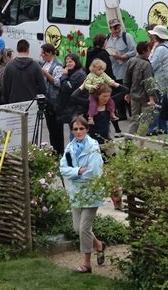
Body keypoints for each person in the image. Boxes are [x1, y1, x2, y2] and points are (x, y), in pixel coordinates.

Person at [60, 116, 106, 274]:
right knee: (77, 228)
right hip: (75, 193)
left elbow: (94, 172)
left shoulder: (93, 148)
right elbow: (63, 168)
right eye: (75, 129)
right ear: (72, 131)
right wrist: (78, 171)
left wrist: (74, 173)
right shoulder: (69, 148)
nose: (78, 132)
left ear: (87, 129)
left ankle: (86, 264)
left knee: (84, 229)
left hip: (91, 192)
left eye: (81, 128)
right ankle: (99, 245)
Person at [105, 18, 136, 124]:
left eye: (118, 26)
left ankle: (132, 114)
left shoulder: (126, 37)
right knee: (116, 92)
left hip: (124, 70)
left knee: (126, 90)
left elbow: (133, 51)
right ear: (110, 28)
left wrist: (123, 57)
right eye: (114, 27)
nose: (117, 29)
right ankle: (121, 113)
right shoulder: (108, 38)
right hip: (113, 70)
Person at [124, 41, 156, 135]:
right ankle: (141, 144)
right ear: (144, 51)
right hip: (144, 97)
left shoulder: (131, 61)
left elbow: (126, 78)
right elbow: (148, 82)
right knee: (145, 121)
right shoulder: (146, 64)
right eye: (149, 50)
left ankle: (128, 142)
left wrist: (127, 92)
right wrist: (151, 97)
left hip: (134, 95)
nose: (150, 52)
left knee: (134, 119)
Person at [1, 39, 45, 104]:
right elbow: (42, 87)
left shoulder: (9, 66)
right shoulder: (36, 66)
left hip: (13, 103)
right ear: (28, 49)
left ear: (17, 49)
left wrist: (7, 101)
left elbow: (5, 87)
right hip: (31, 103)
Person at [41, 43, 64, 155]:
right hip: (47, 100)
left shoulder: (58, 65)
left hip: (55, 101)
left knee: (57, 129)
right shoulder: (46, 63)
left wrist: (46, 74)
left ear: (49, 53)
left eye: (43, 53)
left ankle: (59, 152)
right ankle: (54, 150)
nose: (41, 55)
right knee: (51, 129)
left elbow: (58, 82)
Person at [57, 53, 87, 136]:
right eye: (66, 62)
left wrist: (64, 75)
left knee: (75, 133)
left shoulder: (79, 74)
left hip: (76, 108)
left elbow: (66, 87)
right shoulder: (72, 72)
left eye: (70, 61)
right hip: (71, 107)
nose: (68, 64)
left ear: (76, 62)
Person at [82, 59, 119, 124]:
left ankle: (112, 113)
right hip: (93, 93)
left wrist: (111, 82)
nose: (101, 71)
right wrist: (92, 86)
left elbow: (108, 79)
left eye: (102, 69)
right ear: (93, 69)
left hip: (102, 91)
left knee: (111, 102)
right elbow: (86, 84)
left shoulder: (103, 74)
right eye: (99, 70)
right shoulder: (90, 76)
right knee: (92, 104)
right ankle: (91, 117)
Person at [148, 25, 168, 91]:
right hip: (164, 80)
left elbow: (152, 65)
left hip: (160, 82)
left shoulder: (161, 49)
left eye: (154, 34)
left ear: (157, 36)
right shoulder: (166, 45)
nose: (152, 36)